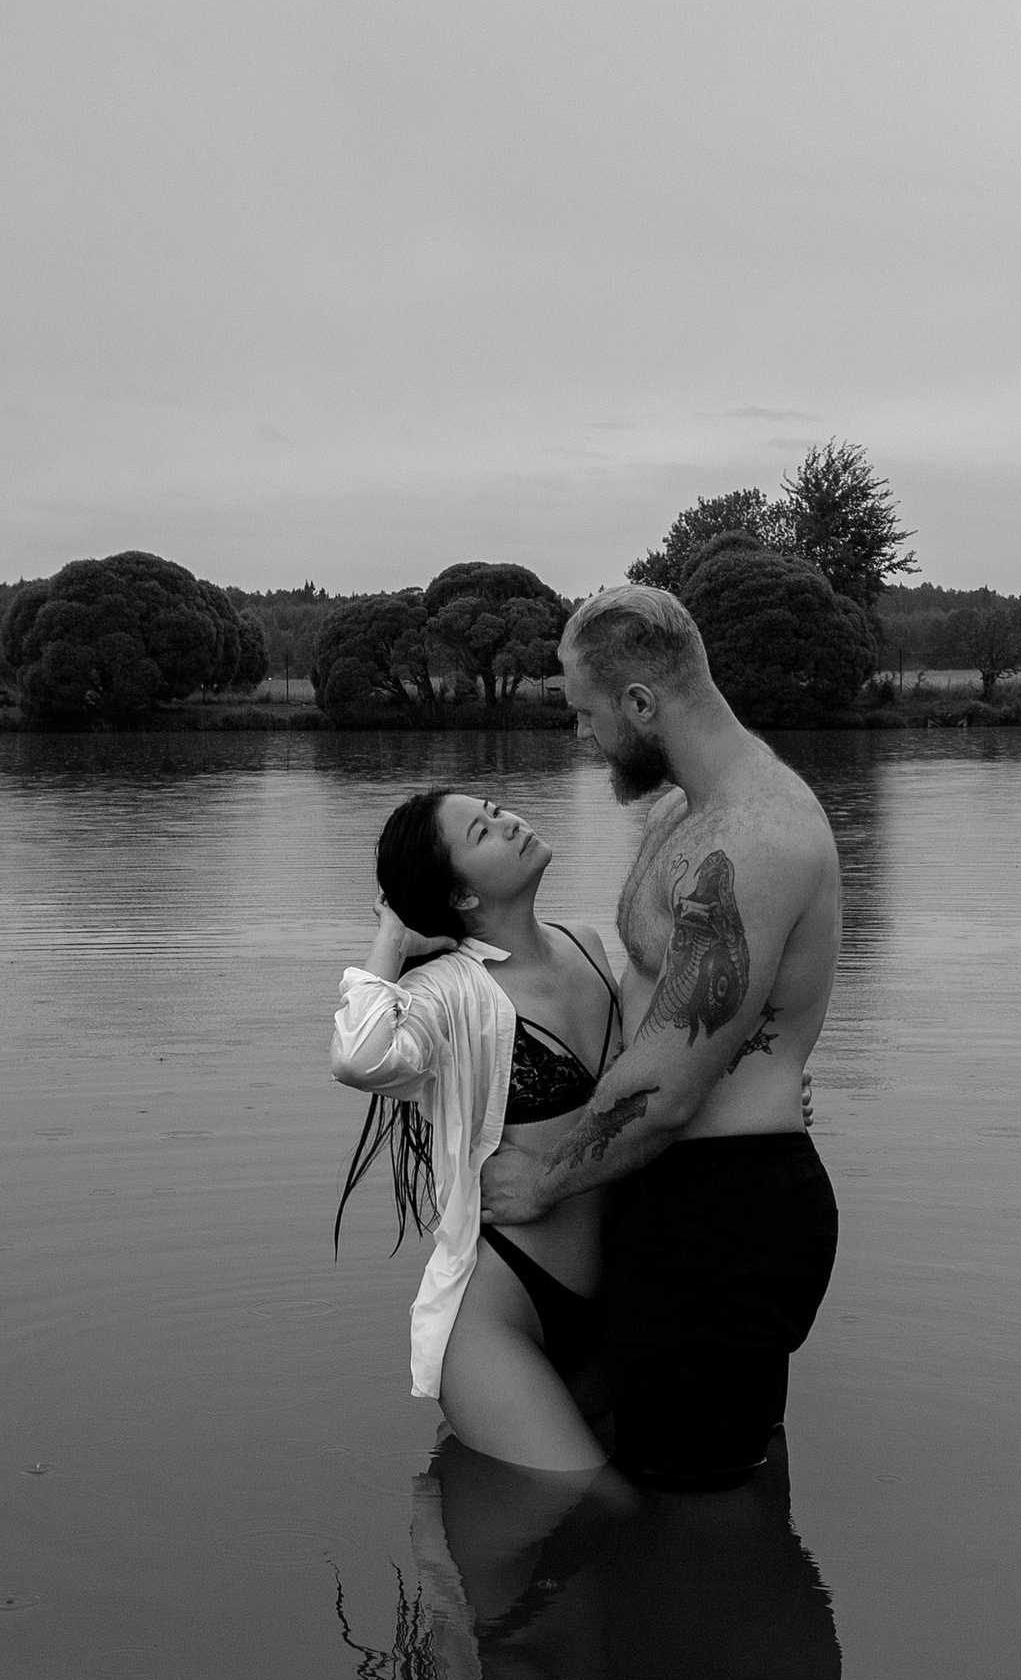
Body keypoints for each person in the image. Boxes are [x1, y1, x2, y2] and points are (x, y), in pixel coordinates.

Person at [480, 582, 842, 1490]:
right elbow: (674, 1015)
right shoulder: (687, 813)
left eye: (586, 715)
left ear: (641, 704)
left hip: (722, 1218)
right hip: (670, 1195)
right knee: (685, 1466)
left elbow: (665, 1090)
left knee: (700, 1510)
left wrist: (544, 1180)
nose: (583, 737)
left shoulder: (755, 840)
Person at [331, 787, 624, 1475]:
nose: (510, 821)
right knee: (595, 1499)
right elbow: (360, 1054)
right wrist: (394, 933)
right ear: (460, 897)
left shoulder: (587, 943)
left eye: (497, 810)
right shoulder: (447, 992)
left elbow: (651, 1080)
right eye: (484, 831)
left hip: (614, 1298)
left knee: (623, 1547)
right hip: (505, 1317)